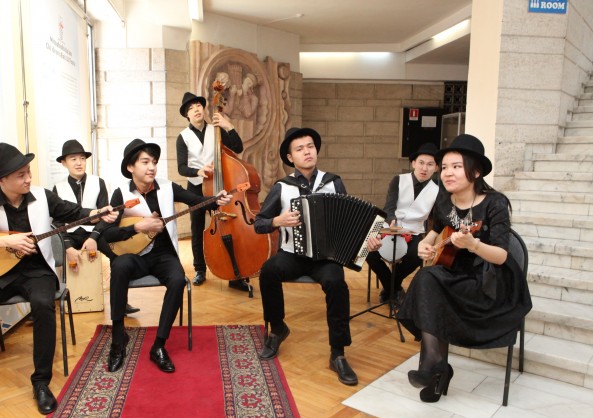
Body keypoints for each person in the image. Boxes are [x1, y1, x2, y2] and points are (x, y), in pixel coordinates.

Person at [0, 143, 118, 418]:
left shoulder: (42, 196)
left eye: (28, 172)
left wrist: (99, 212)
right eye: (20, 175)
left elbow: (73, 212)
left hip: (38, 271)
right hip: (1, 274)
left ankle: (41, 382)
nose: (28, 179)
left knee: (42, 303)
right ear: (1, 181)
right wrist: (6, 241)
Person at [397, 134, 532, 403]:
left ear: (476, 171)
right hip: (455, 273)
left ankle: (434, 369)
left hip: (489, 283)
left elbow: (501, 256)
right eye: (445, 167)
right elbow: (435, 231)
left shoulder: (495, 203)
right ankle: (436, 365)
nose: (447, 173)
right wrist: (425, 244)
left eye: (456, 167)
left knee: (431, 291)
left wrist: (473, 244)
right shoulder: (444, 201)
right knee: (426, 278)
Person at [100, 138, 232, 374]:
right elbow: (107, 233)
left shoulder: (168, 187)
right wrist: (136, 227)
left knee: (178, 280)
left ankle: (159, 345)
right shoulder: (120, 194)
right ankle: (118, 340)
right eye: (145, 162)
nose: (151, 167)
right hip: (136, 256)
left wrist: (216, 200)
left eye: (154, 162)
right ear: (130, 167)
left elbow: (196, 201)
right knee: (119, 267)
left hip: (163, 254)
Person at [254, 127, 358, 386]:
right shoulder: (282, 187)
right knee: (268, 271)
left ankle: (338, 353)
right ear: (291, 158)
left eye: (310, 146)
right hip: (293, 255)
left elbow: (349, 218)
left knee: (336, 283)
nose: (307, 152)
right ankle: (278, 328)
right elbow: (259, 223)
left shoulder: (333, 182)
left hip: (326, 257)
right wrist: (277, 220)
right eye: (299, 149)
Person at [52, 139, 139, 315]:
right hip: (69, 236)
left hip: (95, 233)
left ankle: (120, 303)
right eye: (73, 159)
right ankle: (60, 302)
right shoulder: (57, 188)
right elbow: (58, 222)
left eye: (82, 158)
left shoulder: (98, 182)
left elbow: (105, 215)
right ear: (64, 163)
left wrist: (94, 237)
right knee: (54, 257)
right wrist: (67, 247)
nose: (79, 163)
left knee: (118, 257)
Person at [175, 91, 248, 291]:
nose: (196, 109)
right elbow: (181, 167)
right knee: (197, 229)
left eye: (198, 105)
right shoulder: (183, 137)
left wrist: (228, 126)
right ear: (187, 115)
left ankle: (234, 273)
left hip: (219, 185)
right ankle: (200, 270)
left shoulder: (216, 129)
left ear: (204, 108)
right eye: (191, 108)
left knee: (228, 226)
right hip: (196, 188)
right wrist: (197, 170)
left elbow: (238, 147)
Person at [365, 142, 440, 304]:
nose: (424, 168)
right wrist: (391, 221)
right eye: (421, 163)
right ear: (413, 163)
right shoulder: (398, 180)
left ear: (436, 168)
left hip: (414, 230)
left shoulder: (438, 190)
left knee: (416, 255)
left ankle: (389, 289)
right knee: (367, 250)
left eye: (430, 164)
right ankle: (395, 289)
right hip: (389, 227)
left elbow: (437, 217)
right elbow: (389, 206)